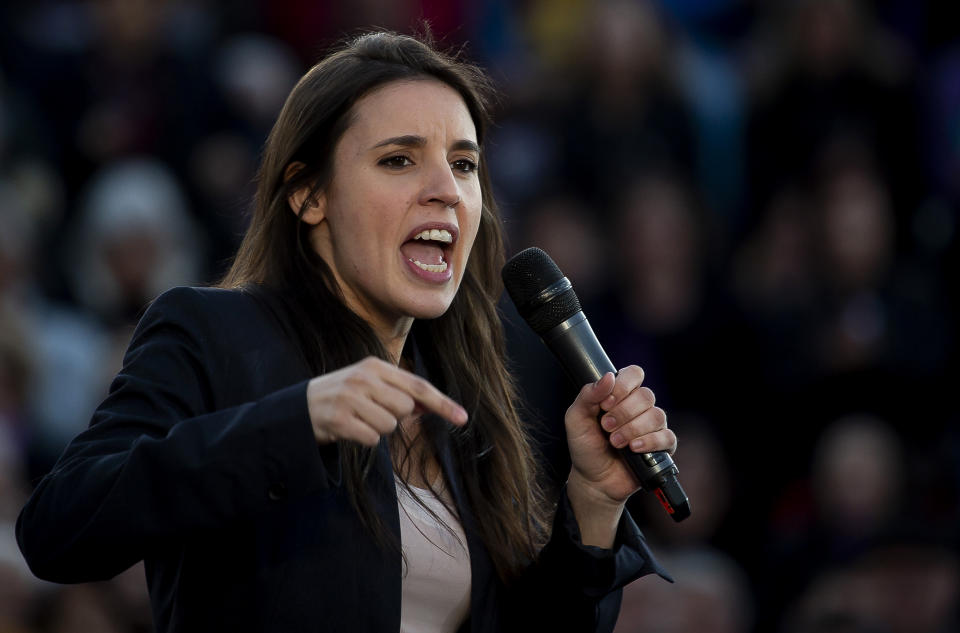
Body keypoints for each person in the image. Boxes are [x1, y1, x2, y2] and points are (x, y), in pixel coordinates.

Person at [15, 30, 676, 633]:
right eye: (398, 160)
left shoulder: (468, 395)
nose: (447, 189)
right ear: (308, 194)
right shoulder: (212, 333)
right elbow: (59, 529)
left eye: (465, 164)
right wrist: (293, 423)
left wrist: (591, 503)